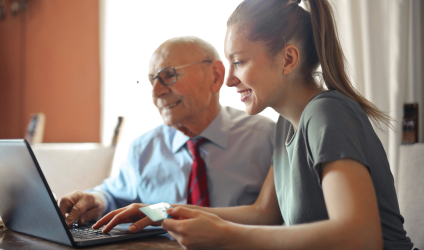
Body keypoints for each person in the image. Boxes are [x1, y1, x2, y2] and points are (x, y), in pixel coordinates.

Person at [93, 0, 415, 249]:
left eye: (239, 61)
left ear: (288, 60)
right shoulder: (285, 125)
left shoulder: (326, 114)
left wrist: (224, 237)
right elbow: (263, 213)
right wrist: (160, 212)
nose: (230, 79)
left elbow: (361, 238)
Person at [57, 36, 275, 228]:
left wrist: (160, 212)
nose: (156, 92)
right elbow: (113, 195)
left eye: (168, 75)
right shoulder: (143, 148)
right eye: (152, 80)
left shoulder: (267, 138)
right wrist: (96, 200)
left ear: (216, 76)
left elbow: (273, 216)